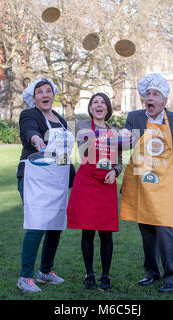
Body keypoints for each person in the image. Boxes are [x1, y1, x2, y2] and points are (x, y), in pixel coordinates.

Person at [120, 73, 173, 293]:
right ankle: (152, 272)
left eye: (155, 94)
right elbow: (126, 142)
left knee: (165, 229)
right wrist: (121, 136)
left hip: (163, 185)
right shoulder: (135, 117)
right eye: (148, 94)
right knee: (146, 229)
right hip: (141, 183)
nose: (150, 98)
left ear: (164, 100)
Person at [16, 78, 75, 293]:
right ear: (34, 98)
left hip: (56, 179)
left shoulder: (61, 121)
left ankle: (45, 271)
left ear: (53, 95)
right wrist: (37, 140)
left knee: (55, 226)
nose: (44, 95)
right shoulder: (29, 115)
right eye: (39, 92)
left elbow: (65, 154)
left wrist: (74, 181)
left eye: (48, 91)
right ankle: (25, 277)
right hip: (34, 178)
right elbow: (29, 130)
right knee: (37, 224)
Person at [67, 93, 122, 290]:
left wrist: (115, 171)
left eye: (103, 103)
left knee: (106, 233)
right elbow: (81, 147)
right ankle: (89, 273)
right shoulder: (82, 127)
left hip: (106, 184)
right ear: (90, 108)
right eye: (95, 103)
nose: (99, 106)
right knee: (88, 231)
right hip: (87, 182)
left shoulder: (115, 131)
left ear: (108, 109)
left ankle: (105, 275)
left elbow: (119, 161)